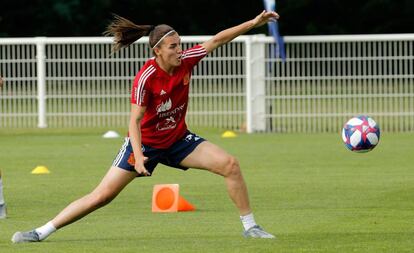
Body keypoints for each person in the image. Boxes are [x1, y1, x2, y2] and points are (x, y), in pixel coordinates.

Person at [12, 10, 279, 243]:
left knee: (230, 164)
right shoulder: (146, 77)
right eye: (173, 47)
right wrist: (138, 156)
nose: (179, 50)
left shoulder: (187, 60)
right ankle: (41, 232)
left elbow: (218, 39)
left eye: (180, 45)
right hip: (145, 145)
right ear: (158, 51)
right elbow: (134, 122)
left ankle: (250, 227)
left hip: (177, 141)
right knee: (102, 196)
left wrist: (253, 23)